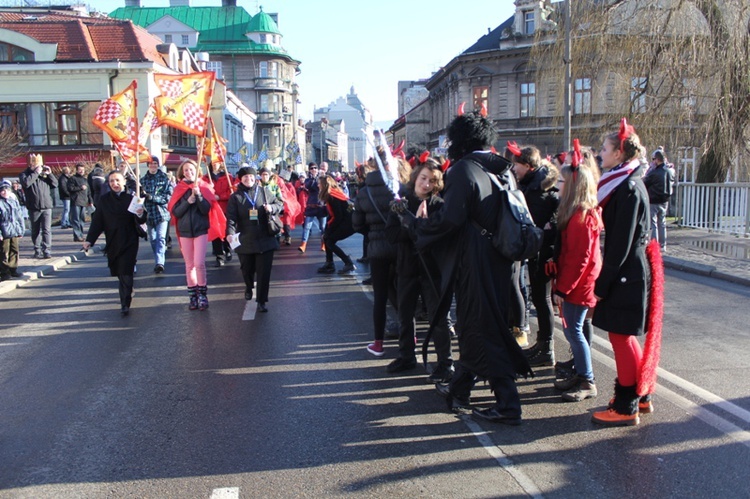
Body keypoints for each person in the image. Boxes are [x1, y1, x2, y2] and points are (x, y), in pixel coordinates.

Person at [408, 110, 532, 425]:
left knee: (480, 327)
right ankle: (459, 390)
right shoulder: (500, 168)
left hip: (476, 260)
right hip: (500, 259)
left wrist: (422, 226)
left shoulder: (464, 169)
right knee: (478, 325)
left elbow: (451, 219)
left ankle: (507, 403)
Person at [591, 120, 653, 426]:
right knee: (624, 336)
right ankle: (639, 395)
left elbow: (620, 244)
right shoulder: (625, 181)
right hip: (628, 271)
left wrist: (602, 284)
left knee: (620, 336)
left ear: (619, 153)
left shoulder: (628, 187)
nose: (601, 154)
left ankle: (627, 405)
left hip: (626, 272)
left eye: (605, 149)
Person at [387, 157, 454, 382]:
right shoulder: (401, 203)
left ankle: (445, 362)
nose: (426, 184)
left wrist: (420, 225)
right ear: (416, 176)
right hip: (407, 266)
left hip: (431, 269)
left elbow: (438, 238)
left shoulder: (439, 206)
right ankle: (407, 356)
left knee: (438, 316)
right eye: (423, 178)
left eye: (432, 181)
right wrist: (409, 223)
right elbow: (392, 235)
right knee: (405, 314)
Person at [550, 143, 602, 402]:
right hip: (576, 284)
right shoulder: (577, 214)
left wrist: (563, 289)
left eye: (561, 180)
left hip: (578, 286)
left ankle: (587, 379)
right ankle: (582, 374)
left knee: (574, 331)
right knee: (574, 330)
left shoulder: (581, 218)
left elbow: (579, 260)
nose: (557, 184)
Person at [509, 145, 560, 367]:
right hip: (538, 251)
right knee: (539, 300)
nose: (514, 168)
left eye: (516, 165)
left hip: (544, 254)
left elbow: (537, 224)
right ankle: (542, 344)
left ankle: (547, 347)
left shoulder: (539, 190)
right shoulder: (533, 185)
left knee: (543, 299)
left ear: (528, 166)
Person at [352, 150, 399, 356]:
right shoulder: (398, 188)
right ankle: (411, 337)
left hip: (377, 248)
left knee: (380, 295)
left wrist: (372, 233)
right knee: (402, 292)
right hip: (399, 245)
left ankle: (378, 344)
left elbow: (357, 225)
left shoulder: (363, 192)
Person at [82, 171, 147, 316]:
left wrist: (140, 212)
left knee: (126, 270)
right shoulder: (104, 200)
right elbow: (97, 222)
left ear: (124, 182)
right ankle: (127, 290)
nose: (115, 184)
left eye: (117, 180)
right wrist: (89, 240)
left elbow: (141, 220)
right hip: (112, 240)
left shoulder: (132, 198)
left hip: (129, 239)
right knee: (119, 270)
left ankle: (125, 302)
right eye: (111, 181)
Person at [168, 160, 226, 311]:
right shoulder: (179, 189)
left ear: (197, 170)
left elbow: (206, 209)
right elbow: (176, 212)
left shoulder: (204, 186)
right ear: (182, 172)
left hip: (200, 230)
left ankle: (202, 294)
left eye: (191, 169)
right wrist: (188, 201)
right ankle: (192, 295)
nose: (189, 172)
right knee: (189, 265)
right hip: (185, 231)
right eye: (186, 170)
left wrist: (199, 195)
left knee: (199, 263)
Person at [226, 166, 283, 312]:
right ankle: (249, 286)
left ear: (255, 178)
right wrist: (230, 233)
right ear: (241, 179)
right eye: (245, 177)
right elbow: (231, 218)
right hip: (245, 239)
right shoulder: (235, 197)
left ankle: (262, 300)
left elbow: (280, 204)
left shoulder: (264, 192)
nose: (249, 179)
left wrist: (272, 208)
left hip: (265, 238)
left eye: (251, 177)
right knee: (247, 269)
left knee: (264, 272)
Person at [19, 154, 58, 258]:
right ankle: (37, 250)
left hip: (46, 206)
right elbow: (26, 183)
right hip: (34, 207)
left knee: (47, 230)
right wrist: (36, 173)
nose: (38, 167)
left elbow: (55, 184)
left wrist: (50, 174)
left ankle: (47, 250)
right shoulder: (24, 174)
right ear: (31, 164)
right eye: (36, 165)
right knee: (35, 230)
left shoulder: (43, 175)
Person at [141, 155, 173, 273]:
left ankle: (160, 262)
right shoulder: (143, 180)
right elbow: (138, 197)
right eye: (151, 163)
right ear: (148, 165)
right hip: (149, 214)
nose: (153, 165)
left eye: (155, 163)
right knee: (153, 239)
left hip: (162, 214)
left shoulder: (164, 179)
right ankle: (157, 258)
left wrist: (152, 197)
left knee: (161, 238)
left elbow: (167, 197)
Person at [317, 174, 355, 274]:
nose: (318, 185)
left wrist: (329, 229)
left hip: (348, 223)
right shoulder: (334, 193)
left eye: (319, 184)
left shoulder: (331, 196)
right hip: (347, 221)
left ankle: (348, 262)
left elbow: (338, 216)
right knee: (327, 238)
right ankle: (329, 264)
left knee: (329, 241)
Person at [203, 161, 234, 267]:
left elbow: (231, 191)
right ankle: (219, 256)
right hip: (213, 209)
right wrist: (209, 190)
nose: (215, 164)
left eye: (217, 162)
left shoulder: (228, 177)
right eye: (213, 162)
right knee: (215, 231)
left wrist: (220, 197)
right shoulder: (206, 178)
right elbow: (203, 191)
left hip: (225, 208)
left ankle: (227, 249)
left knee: (226, 231)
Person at [644, 147, 675, 251]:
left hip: (653, 199)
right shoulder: (670, 171)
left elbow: (645, 183)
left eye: (653, 159)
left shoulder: (654, 172)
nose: (653, 161)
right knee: (662, 222)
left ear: (657, 160)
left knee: (653, 223)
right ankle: (663, 244)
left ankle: (655, 245)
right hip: (665, 200)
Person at [298, 162, 327, 253]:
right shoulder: (308, 180)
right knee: (307, 226)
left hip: (321, 206)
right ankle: (303, 244)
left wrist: (321, 177)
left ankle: (323, 244)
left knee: (322, 227)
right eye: (312, 168)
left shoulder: (322, 178)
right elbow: (309, 186)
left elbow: (324, 187)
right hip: (311, 206)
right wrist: (314, 178)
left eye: (315, 168)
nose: (314, 169)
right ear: (309, 170)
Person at [0, 180, 25, 281]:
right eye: (2, 190)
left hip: (14, 230)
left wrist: (21, 230)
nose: (5, 192)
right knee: (4, 252)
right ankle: (4, 272)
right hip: (4, 231)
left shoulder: (13, 201)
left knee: (14, 250)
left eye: (7, 190)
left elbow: (19, 216)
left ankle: (13, 269)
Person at [68, 163, 91, 243]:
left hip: (84, 202)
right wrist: (80, 188)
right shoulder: (72, 178)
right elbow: (70, 188)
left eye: (83, 170)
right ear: (77, 170)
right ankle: (78, 236)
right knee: (76, 220)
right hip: (76, 201)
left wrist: (90, 201)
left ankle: (80, 235)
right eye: (80, 170)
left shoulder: (85, 180)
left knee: (82, 220)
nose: (82, 171)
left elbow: (88, 191)